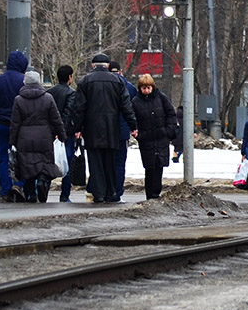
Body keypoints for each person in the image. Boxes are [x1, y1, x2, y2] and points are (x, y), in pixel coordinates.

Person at [70, 53, 138, 203]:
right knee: (110, 162)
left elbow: (79, 107)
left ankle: (98, 194)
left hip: (92, 128)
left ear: (93, 65)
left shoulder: (85, 81)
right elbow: (126, 106)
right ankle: (110, 192)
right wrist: (133, 125)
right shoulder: (118, 81)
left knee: (95, 163)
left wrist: (77, 127)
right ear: (108, 65)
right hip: (112, 128)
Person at [10, 70, 67, 202]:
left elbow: (15, 123)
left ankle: (31, 194)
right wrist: (62, 135)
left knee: (27, 165)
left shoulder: (18, 100)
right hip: (44, 137)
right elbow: (56, 119)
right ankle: (42, 181)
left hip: (24, 138)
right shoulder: (48, 98)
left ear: (25, 82)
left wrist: (12, 140)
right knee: (44, 163)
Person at [0, 50, 29, 202]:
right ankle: (18, 184)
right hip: (20, 126)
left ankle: (5, 190)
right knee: (20, 156)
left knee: (3, 157)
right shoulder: (24, 81)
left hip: (2, 124)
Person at [132, 73, 178, 200]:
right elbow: (133, 119)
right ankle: (150, 195)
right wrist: (139, 134)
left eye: (148, 88)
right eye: (143, 88)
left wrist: (168, 130)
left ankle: (156, 193)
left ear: (152, 87)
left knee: (159, 167)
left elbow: (171, 114)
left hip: (161, 137)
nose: (146, 91)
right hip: (147, 139)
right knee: (149, 167)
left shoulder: (161, 98)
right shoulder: (136, 102)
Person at [47, 65, 77, 202]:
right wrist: (63, 131)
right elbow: (68, 113)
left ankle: (44, 189)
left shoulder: (49, 92)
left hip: (50, 132)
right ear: (70, 77)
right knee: (67, 163)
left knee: (48, 162)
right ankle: (65, 195)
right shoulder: (71, 93)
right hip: (66, 134)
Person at [109, 61, 137, 201]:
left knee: (107, 163)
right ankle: (117, 192)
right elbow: (133, 110)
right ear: (121, 71)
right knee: (120, 163)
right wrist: (133, 126)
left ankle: (108, 190)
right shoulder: (130, 88)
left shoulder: (105, 86)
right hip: (122, 131)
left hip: (106, 131)